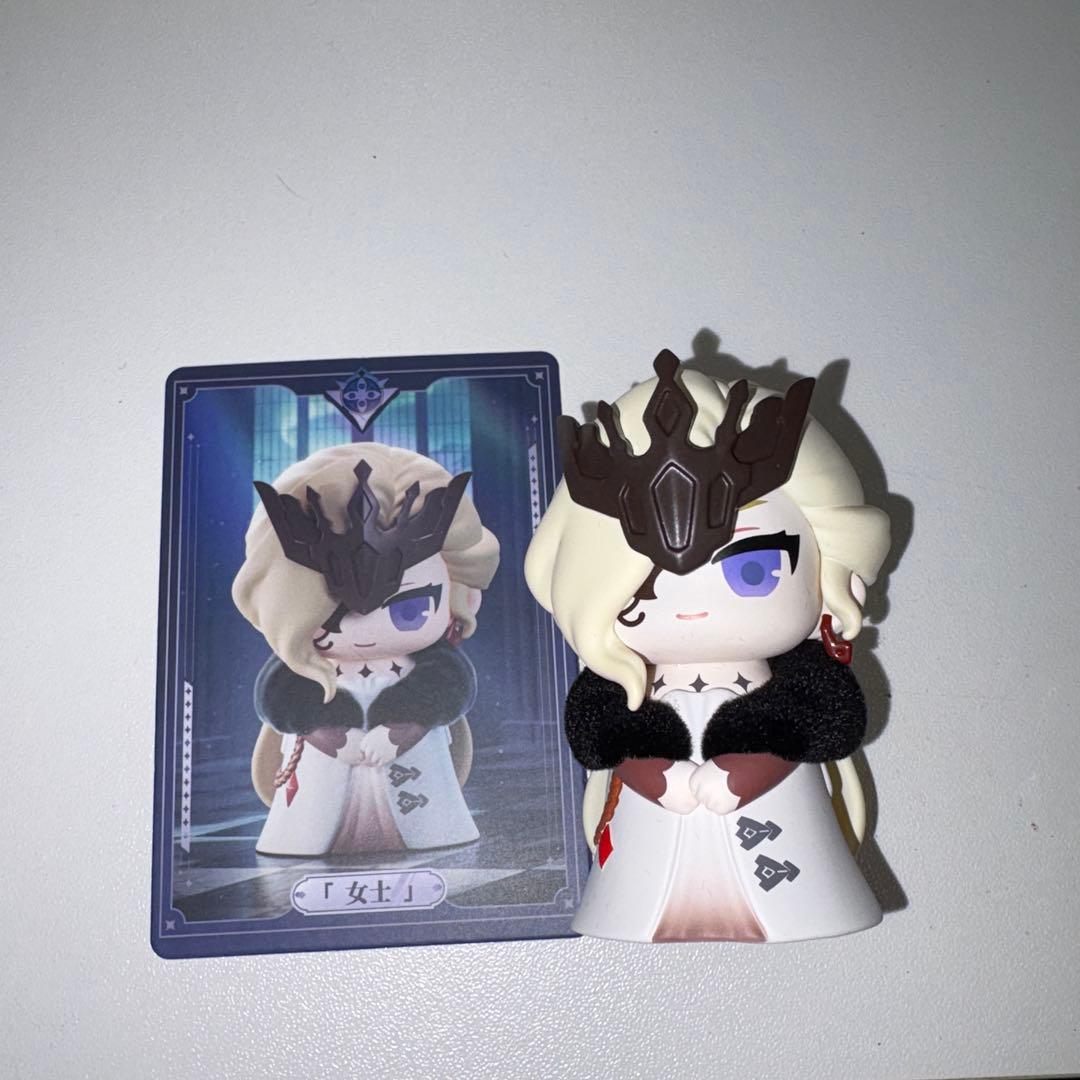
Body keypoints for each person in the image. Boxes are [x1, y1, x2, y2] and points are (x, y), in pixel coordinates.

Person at [525, 350, 891, 942]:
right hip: (646, 854)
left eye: (753, 568)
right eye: (642, 587)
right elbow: (598, 734)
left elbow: (825, 721)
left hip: (782, 839)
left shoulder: (803, 682)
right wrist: (656, 776)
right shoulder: (617, 683)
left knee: (791, 894)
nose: (689, 605)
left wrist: (750, 772)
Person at [233, 442, 499, 856]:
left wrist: (403, 731)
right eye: (329, 617)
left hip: (419, 790)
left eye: (409, 610)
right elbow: (281, 700)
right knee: (311, 825)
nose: (364, 633)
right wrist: (333, 739)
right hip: (320, 793)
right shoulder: (302, 668)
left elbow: (450, 687)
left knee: (429, 827)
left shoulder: (433, 667)